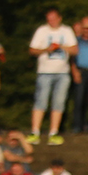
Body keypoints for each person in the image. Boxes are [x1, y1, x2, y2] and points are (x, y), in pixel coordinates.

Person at [30, 9, 78, 146]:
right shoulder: (42, 31)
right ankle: (35, 132)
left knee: (59, 102)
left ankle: (53, 132)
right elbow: (32, 50)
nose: (51, 22)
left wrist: (61, 46)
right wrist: (47, 49)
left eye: (53, 19)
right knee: (41, 101)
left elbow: (75, 50)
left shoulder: (66, 31)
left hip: (62, 73)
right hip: (44, 72)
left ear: (59, 18)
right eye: (49, 19)